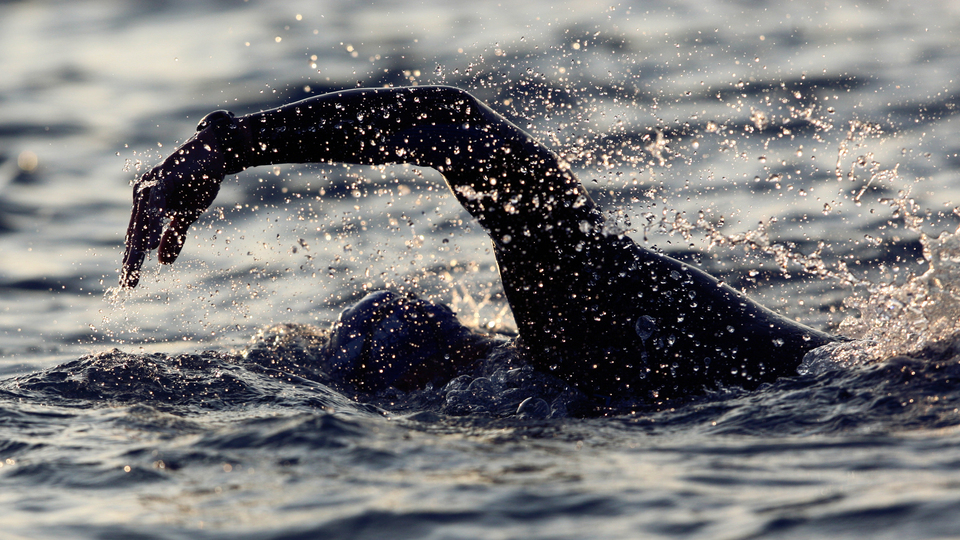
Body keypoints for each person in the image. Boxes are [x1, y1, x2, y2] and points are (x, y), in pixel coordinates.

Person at [121, 85, 838, 402]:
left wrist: (232, 146)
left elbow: (463, 129)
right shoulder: (602, 326)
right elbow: (462, 125)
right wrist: (230, 145)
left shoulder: (580, 327)